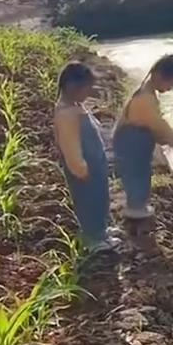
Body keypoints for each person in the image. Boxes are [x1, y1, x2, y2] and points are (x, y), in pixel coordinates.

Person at [52, 62, 120, 253]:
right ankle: (93, 239)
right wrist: (80, 168)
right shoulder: (66, 114)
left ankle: (102, 231)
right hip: (84, 169)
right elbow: (70, 146)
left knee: (99, 198)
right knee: (88, 201)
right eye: (88, 88)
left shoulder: (75, 106)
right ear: (74, 87)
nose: (90, 92)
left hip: (95, 165)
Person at [113, 54, 173, 223]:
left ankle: (138, 205)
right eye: (171, 83)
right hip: (130, 142)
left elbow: (156, 124)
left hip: (136, 142)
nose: (171, 88)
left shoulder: (147, 92)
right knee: (136, 175)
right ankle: (135, 209)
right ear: (158, 75)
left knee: (141, 173)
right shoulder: (145, 99)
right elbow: (158, 124)